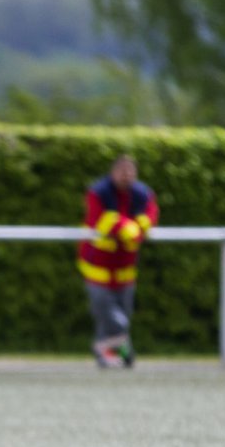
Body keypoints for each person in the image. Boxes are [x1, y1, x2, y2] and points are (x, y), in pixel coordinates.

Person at [77, 155, 158, 368]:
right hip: (98, 269)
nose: (126, 176)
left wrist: (138, 227)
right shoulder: (98, 192)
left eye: (130, 172)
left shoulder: (142, 194)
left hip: (125, 270)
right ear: (113, 173)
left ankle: (108, 356)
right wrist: (126, 227)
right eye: (122, 172)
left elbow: (150, 215)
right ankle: (124, 350)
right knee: (112, 318)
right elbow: (99, 219)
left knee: (122, 316)